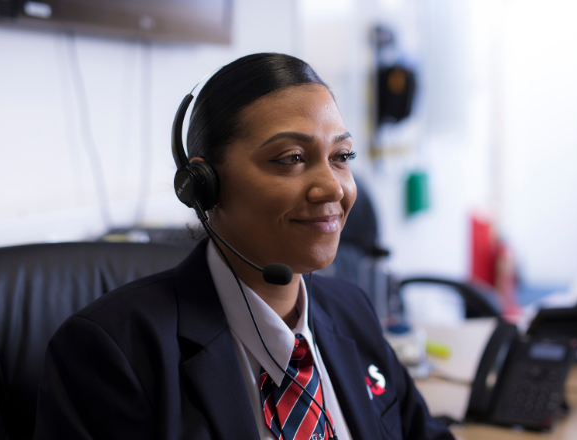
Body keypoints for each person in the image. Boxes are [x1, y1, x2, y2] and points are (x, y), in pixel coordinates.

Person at [33, 53, 454, 440]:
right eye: (291, 157)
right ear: (204, 186)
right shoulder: (112, 352)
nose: (332, 186)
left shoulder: (351, 311)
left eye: (341, 156)